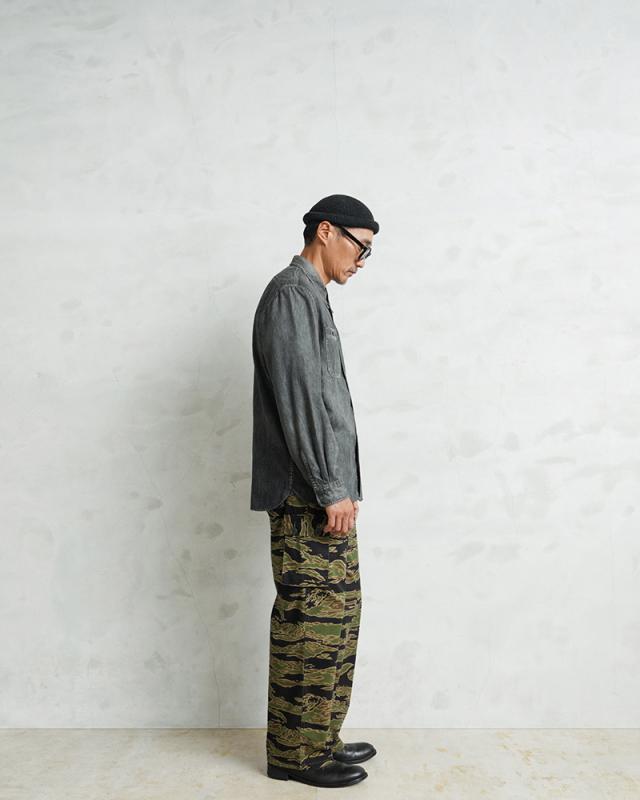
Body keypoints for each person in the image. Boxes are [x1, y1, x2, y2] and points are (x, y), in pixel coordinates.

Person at [250, 194, 380, 788]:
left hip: (326, 492)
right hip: (307, 496)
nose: (361, 261)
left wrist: (341, 487)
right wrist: (330, 488)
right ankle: (294, 754)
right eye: (360, 247)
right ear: (325, 231)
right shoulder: (291, 294)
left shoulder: (312, 295)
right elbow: (302, 401)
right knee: (310, 624)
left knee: (338, 618)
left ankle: (319, 736)